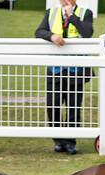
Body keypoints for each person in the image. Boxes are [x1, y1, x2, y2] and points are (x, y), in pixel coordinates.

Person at [35, 0, 93, 155]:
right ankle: (58, 140)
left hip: (76, 68)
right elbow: (39, 31)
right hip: (55, 68)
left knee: (73, 107)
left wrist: (72, 15)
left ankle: (70, 141)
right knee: (53, 105)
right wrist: (51, 36)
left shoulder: (85, 12)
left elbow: (88, 33)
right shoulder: (51, 12)